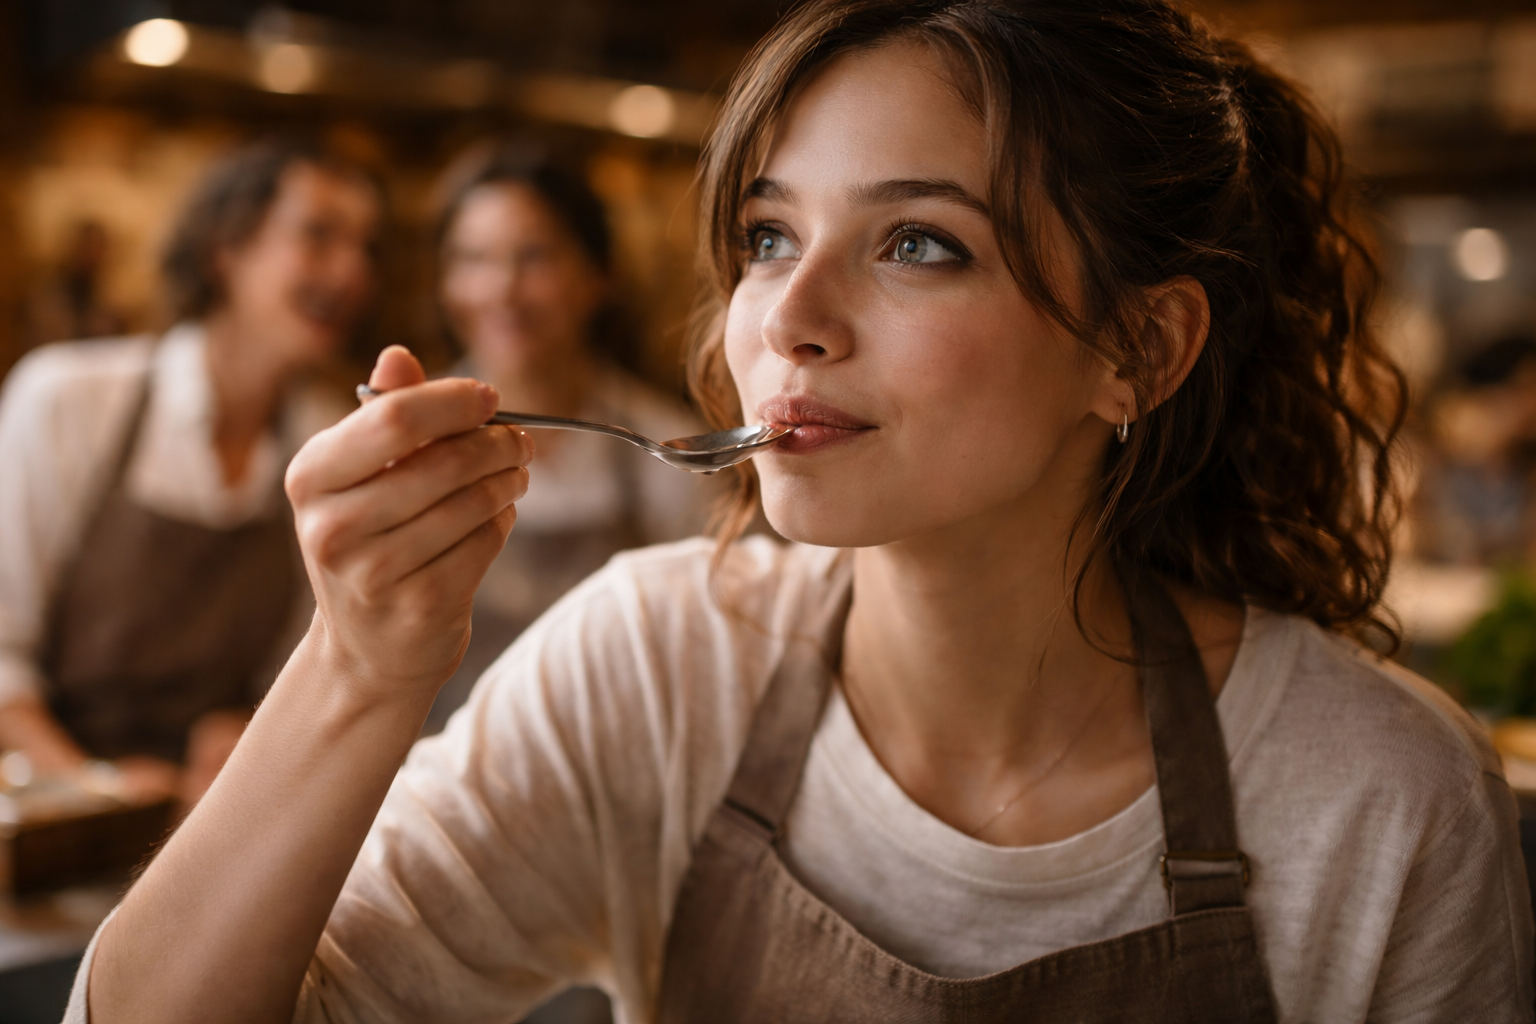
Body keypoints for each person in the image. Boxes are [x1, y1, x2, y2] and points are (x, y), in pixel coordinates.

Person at [74, 2, 1533, 1021]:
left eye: (917, 242)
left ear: (1138, 351)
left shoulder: (1379, 800)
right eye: (770, 235)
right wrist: (355, 669)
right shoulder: (655, 667)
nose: (790, 318)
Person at [0, 140, 381, 807]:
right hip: (40, 823)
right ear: (224, 250)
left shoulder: (330, 444)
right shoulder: (67, 400)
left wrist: (245, 732)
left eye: (365, 247)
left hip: (210, 827)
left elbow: (304, 676)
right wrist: (96, 791)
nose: (351, 271)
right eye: (319, 236)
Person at [424, 145, 714, 733]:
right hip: (424, 775)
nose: (501, 290)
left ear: (596, 277)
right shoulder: (413, 442)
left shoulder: (663, 448)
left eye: (533, 257)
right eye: (473, 258)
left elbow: (700, 651)